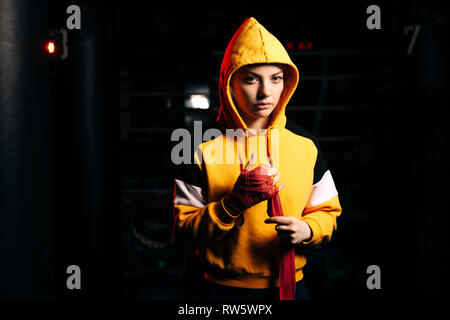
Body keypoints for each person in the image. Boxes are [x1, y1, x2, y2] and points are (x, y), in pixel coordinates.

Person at [172, 17, 342, 300]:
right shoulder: (198, 146)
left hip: (293, 288)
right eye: (251, 79)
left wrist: (308, 228)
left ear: (286, 82)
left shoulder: (305, 144)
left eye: (275, 78)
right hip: (222, 292)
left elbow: (328, 213)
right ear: (230, 84)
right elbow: (183, 233)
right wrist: (232, 204)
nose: (266, 92)